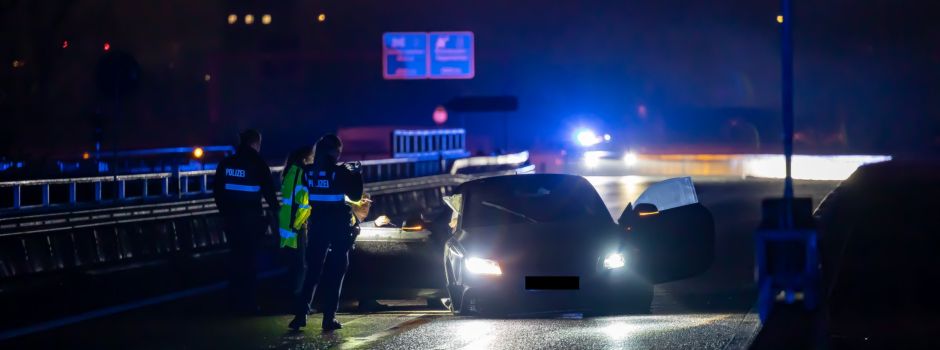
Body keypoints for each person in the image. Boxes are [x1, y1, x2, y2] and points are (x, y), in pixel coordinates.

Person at [289, 134, 365, 331]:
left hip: (317, 225)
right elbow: (356, 194)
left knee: (312, 270)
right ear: (334, 151)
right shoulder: (339, 172)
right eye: (338, 151)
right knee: (337, 269)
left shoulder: (308, 172)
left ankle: (300, 315)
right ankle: (328, 317)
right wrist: (356, 173)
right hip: (338, 226)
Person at [213, 129, 280, 314]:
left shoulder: (226, 164)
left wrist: (225, 212)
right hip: (251, 221)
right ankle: (248, 303)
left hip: (231, 220)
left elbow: (217, 191)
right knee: (249, 262)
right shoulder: (258, 163)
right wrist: (278, 214)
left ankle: (232, 301)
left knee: (235, 259)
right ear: (256, 143)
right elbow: (269, 194)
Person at [277, 146, 315, 305]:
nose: (313, 160)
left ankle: (293, 300)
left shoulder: (291, 172)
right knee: (299, 265)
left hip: (289, 224)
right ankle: (297, 303)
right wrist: (298, 224)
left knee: (294, 265)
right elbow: (300, 202)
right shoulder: (300, 173)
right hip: (295, 225)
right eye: (311, 157)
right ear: (305, 159)